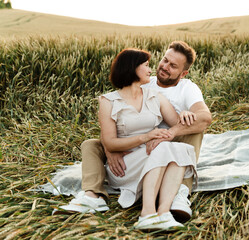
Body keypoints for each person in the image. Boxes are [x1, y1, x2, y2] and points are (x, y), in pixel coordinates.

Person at [57, 41, 212, 224]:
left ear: (183, 73)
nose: (163, 67)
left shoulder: (186, 88)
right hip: (134, 144)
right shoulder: (143, 85)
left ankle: (180, 191)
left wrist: (175, 128)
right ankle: (92, 194)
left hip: (168, 140)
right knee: (91, 144)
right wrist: (109, 149)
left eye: (173, 66)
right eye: (164, 60)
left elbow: (204, 117)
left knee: (194, 127)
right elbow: (110, 125)